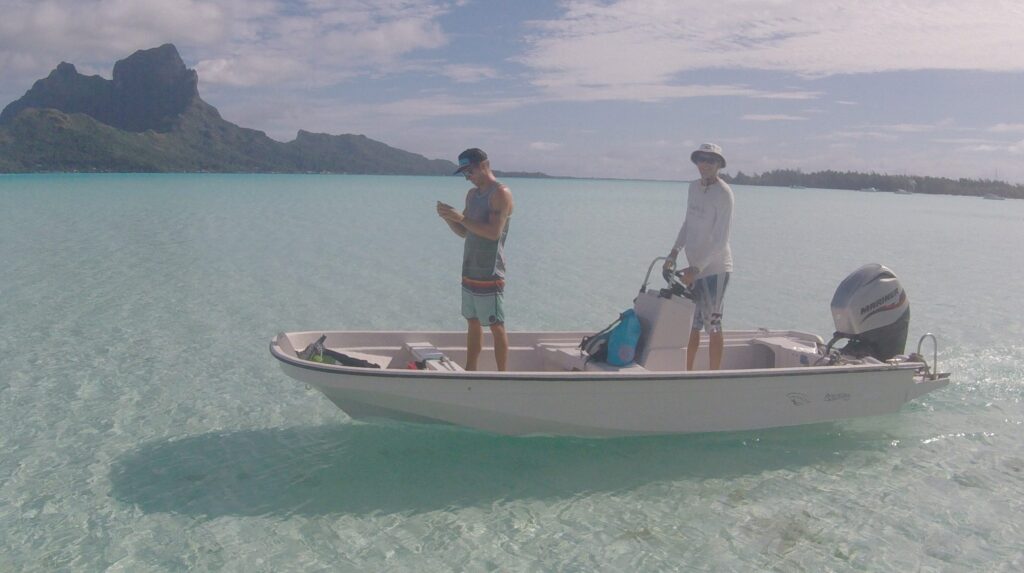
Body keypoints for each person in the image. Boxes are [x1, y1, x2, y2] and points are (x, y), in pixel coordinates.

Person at [437, 148, 514, 371]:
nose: (467, 177)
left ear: (483, 165)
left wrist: (460, 217)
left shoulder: (501, 193)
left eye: (469, 171)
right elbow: (465, 232)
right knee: (472, 321)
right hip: (469, 267)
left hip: (490, 269)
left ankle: (503, 375)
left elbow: (493, 233)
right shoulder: (472, 195)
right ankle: (471, 370)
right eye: (464, 173)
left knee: (496, 325)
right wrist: (449, 219)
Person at [663, 142, 734, 370]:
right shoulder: (693, 187)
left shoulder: (724, 194)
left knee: (713, 323)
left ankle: (714, 376)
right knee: (693, 325)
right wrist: (674, 252)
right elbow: (688, 223)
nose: (705, 164)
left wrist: (697, 268)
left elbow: (720, 240)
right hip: (694, 268)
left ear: (718, 165)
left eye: (710, 160)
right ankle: (689, 372)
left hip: (715, 269)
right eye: (701, 159)